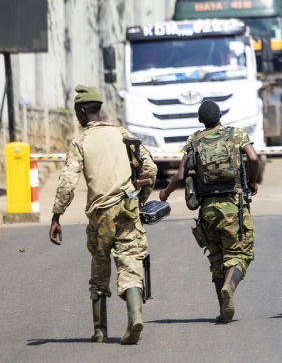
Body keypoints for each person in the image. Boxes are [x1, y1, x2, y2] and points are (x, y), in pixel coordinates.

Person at [49, 85, 156, 345]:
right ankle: (135, 317)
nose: (77, 116)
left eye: (77, 112)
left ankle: (100, 332)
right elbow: (150, 168)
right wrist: (140, 199)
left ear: (84, 111)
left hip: (101, 215)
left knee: (99, 271)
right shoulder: (122, 134)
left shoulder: (81, 142)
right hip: (128, 209)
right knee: (130, 263)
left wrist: (56, 216)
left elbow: (67, 182)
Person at [159, 101, 259, 322]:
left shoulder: (193, 141)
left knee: (216, 257)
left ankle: (224, 311)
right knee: (240, 254)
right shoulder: (236, 135)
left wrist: (165, 193)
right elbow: (253, 157)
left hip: (207, 210)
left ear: (200, 121)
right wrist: (252, 181)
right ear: (220, 115)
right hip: (234, 206)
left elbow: (180, 175)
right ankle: (230, 288)